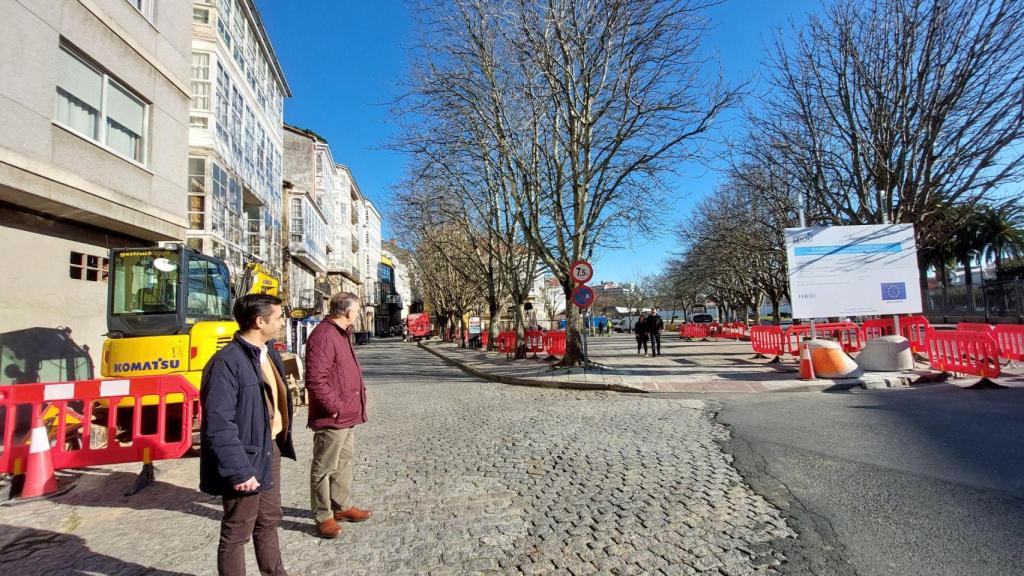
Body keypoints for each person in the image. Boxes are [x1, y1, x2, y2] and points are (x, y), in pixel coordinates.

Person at [199, 294, 295, 576]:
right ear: (259, 322)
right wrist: (238, 470)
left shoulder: (268, 353)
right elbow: (219, 423)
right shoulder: (226, 363)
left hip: (268, 448)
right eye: (278, 317)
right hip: (245, 456)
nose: (282, 322)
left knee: (268, 520)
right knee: (238, 529)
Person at [305, 292, 372, 539]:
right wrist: (335, 407)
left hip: (347, 414)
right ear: (348, 312)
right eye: (356, 309)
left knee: (344, 462)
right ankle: (323, 516)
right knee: (324, 467)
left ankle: (341, 506)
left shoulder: (342, 333)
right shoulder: (324, 335)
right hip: (332, 417)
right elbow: (315, 380)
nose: (357, 313)